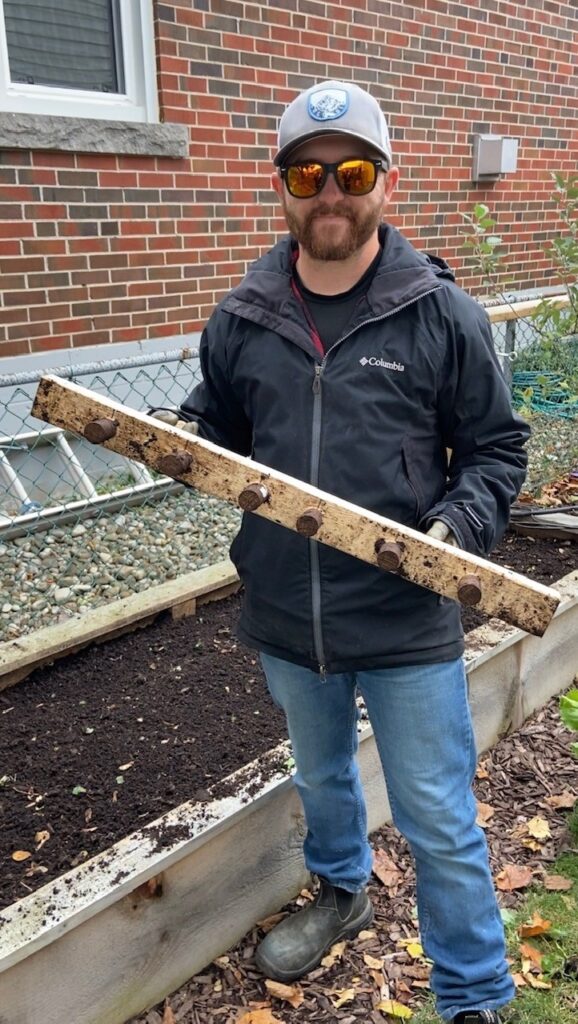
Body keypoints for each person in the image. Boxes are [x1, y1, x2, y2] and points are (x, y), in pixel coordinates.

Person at [153, 80, 530, 1024]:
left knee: (438, 819)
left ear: (384, 183)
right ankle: (342, 891)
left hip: (403, 622)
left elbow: (496, 449)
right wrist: (180, 436)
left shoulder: (443, 314)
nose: (330, 191)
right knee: (319, 779)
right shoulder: (242, 318)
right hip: (287, 618)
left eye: (351, 171)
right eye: (307, 172)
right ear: (281, 186)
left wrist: (457, 528)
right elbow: (225, 428)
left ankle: (474, 994)